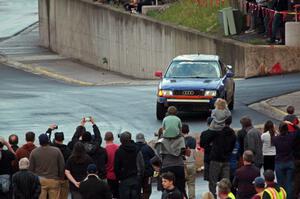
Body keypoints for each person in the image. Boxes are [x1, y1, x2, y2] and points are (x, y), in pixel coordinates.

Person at [29, 133, 65, 199]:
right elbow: (62, 166)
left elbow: (31, 169)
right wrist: (61, 178)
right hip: (54, 180)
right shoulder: (56, 151)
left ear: (39, 142)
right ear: (48, 140)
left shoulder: (34, 152)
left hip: (40, 180)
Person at [208, 116, 236, 198]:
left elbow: (207, 140)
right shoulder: (232, 134)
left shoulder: (217, 132)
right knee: (226, 183)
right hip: (226, 160)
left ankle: (213, 197)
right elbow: (232, 147)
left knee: (213, 182)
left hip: (215, 159)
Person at [114, 131, 144, 199]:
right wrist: (140, 177)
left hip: (124, 180)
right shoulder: (137, 149)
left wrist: (119, 178)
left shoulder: (119, 151)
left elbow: (116, 167)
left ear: (121, 141)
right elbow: (142, 165)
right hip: (136, 179)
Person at [46, 125, 72, 199]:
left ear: (55, 139)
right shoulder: (68, 150)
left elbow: (46, 138)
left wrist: (49, 129)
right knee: (64, 197)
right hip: (64, 177)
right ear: (63, 139)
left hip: (53, 176)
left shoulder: (51, 148)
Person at [272, 122, 296, 199]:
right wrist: (293, 124)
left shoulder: (275, 139)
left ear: (279, 129)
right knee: (290, 183)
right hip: (289, 161)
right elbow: (297, 131)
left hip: (279, 162)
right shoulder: (291, 137)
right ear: (287, 129)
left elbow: (273, 139)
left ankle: (282, 197)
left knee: (281, 183)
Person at [135, 133, 156, 199]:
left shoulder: (134, 148)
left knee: (137, 190)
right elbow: (154, 158)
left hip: (137, 174)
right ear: (143, 140)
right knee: (147, 190)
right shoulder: (148, 148)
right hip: (147, 173)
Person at [182, 124, 197, 199]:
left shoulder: (180, 140)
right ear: (188, 130)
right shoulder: (193, 140)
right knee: (191, 184)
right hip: (191, 163)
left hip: (183, 165)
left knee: (182, 185)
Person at [104, 131, 119, 199]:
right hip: (117, 175)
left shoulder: (104, 150)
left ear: (105, 139)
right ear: (113, 138)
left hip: (108, 175)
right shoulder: (118, 148)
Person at [200, 117, 214, 181]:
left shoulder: (204, 133)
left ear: (207, 124)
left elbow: (201, 145)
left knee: (209, 178)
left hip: (207, 157)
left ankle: (211, 190)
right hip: (216, 157)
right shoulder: (218, 133)